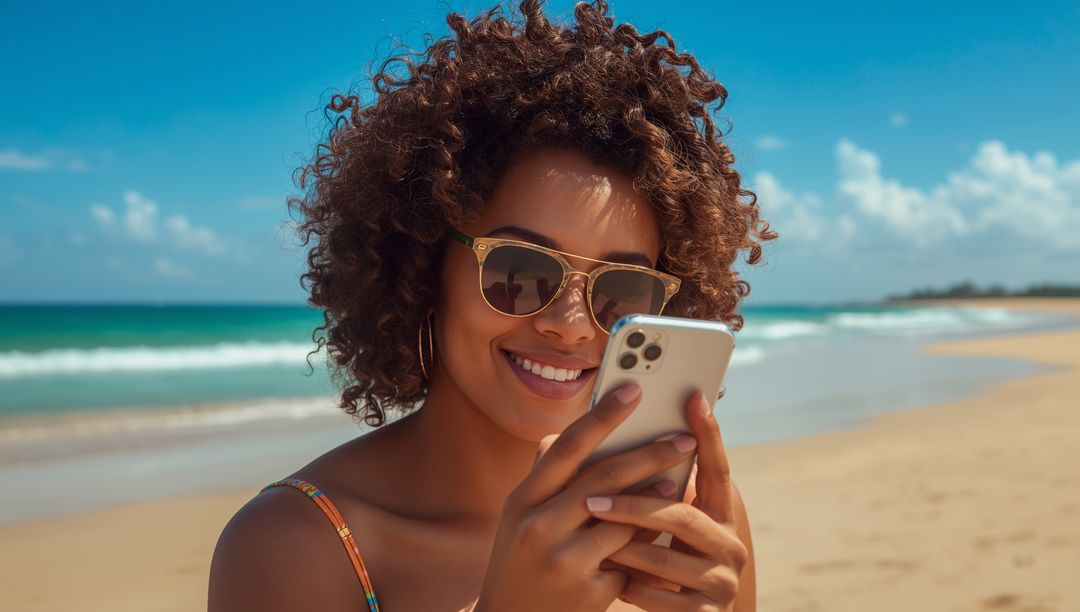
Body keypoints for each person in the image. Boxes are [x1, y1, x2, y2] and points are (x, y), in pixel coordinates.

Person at [208, 0, 776, 609]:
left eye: (621, 291)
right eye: (520, 270)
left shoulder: (689, 523)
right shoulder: (294, 545)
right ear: (424, 266)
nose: (571, 325)